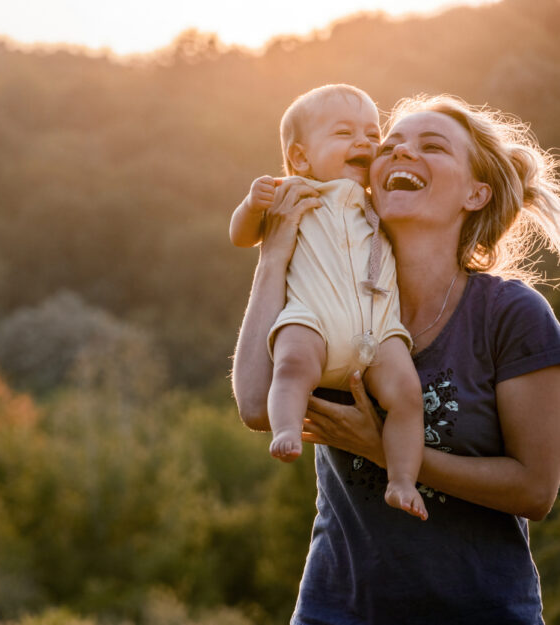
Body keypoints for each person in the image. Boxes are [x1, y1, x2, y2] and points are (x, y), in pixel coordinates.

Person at [232, 92, 560, 624]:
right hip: (335, 612)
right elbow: (254, 406)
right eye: (391, 146)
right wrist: (273, 256)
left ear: (476, 193)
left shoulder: (511, 315)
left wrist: (387, 452)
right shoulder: (329, 297)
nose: (401, 154)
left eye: (432, 147)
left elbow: (536, 491)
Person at [230, 84, 426, 520]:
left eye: (373, 135)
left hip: (377, 328)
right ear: (301, 157)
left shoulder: (379, 202)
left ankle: (402, 480)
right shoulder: (293, 192)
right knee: (293, 363)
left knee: (408, 395)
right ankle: (285, 430)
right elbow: (242, 237)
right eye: (344, 134)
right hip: (313, 319)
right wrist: (250, 204)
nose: (364, 143)